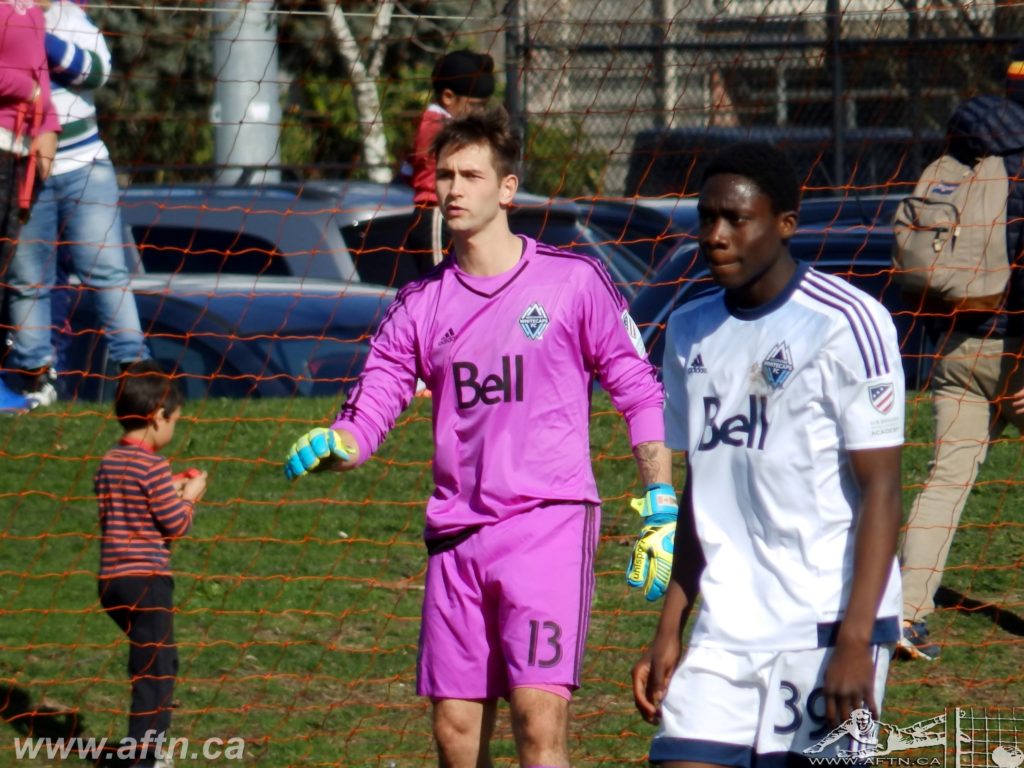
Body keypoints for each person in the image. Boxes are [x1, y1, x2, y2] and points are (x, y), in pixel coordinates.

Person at [285, 108, 674, 768]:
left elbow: (638, 388)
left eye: (471, 175)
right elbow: (373, 404)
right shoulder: (419, 303)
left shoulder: (572, 282)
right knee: (455, 734)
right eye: (445, 175)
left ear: (507, 188)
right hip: (457, 536)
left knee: (537, 720)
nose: (454, 189)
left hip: (547, 526)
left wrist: (660, 502)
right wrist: (340, 443)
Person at [632, 142, 905, 765]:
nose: (716, 235)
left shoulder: (848, 323)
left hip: (825, 623)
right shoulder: (688, 328)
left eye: (736, 219)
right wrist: (671, 624)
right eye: (707, 217)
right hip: (726, 626)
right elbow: (702, 486)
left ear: (785, 224)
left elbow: (883, 490)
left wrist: (856, 641)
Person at [897, 41, 1024, 662]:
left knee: (945, 480)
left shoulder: (966, 149)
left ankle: (905, 613)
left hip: (954, 344)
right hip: (1015, 351)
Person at [6, 0, 149, 409]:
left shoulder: (70, 17)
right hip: (24, 163)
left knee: (105, 270)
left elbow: (96, 71)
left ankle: (134, 367)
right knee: (27, 279)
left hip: (85, 165)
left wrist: (39, 38)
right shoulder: (5, 18)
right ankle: (35, 378)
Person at [95, 359, 207, 767]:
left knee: (159, 660)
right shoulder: (153, 465)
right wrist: (189, 496)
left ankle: (149, 750)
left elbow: (136, 501)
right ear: (159, 415)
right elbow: (175, 524)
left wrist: (169, 486)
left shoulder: (111, 461)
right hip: (147, 581)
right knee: (154, 671)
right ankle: (143, 757)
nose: (173, 427)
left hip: (113, 581)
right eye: (174, 419)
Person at [0, 0, 60, 413]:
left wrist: (49, 125)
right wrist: (32, 93)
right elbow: (32, 84)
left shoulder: (31, 10)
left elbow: (40, 73)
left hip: (18, 155)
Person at [399, 49, 495, 273]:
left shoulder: (437, 124)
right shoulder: (438, 127)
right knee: (440, 282)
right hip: (435, 215)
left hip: (451, 214)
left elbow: (406, 172)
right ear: (448, 97)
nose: (481, 112)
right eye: (475, 105)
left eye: (484, 106)